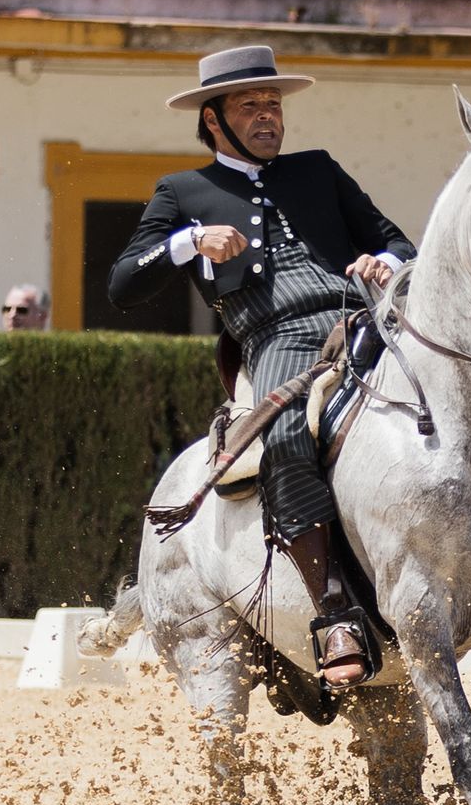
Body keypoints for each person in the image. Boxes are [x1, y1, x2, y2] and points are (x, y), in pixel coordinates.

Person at [108, 45, 415, 690]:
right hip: (276, 337)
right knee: (282, 434)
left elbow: (394, 239)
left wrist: (385, 263)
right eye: (250, 106)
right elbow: (121, 285)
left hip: (364, 318)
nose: (268, 116)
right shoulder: (182, 192)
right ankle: (332, 614)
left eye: (273, 105)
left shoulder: (319, 170)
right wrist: (187, 242)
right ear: (213, 120)